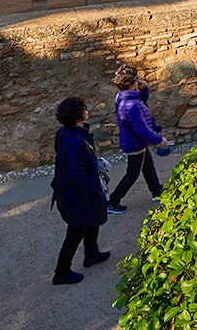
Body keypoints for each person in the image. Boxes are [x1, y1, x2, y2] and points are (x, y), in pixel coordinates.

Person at [49, 97, 111, 284]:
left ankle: (91, 253)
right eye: (84, 108)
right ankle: (61, 273)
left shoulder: (68, 133)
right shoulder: (74, 140)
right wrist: (90, 191)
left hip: (75, 192)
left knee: (92, 221)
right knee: (75, 232)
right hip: (76, 195)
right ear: (78, 115)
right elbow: (75, 173)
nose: (87, 110)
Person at [107, 66, 172, 213]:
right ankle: (112, 202)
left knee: (148, 165)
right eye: (136, 80)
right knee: (132, 174)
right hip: (135, 144)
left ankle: (157, 190)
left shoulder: (125, 97)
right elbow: (141, 129)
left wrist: (144, 89)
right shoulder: (130, 105)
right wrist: (159, 139)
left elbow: (143, 100)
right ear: (132, 83)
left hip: (136, 142)